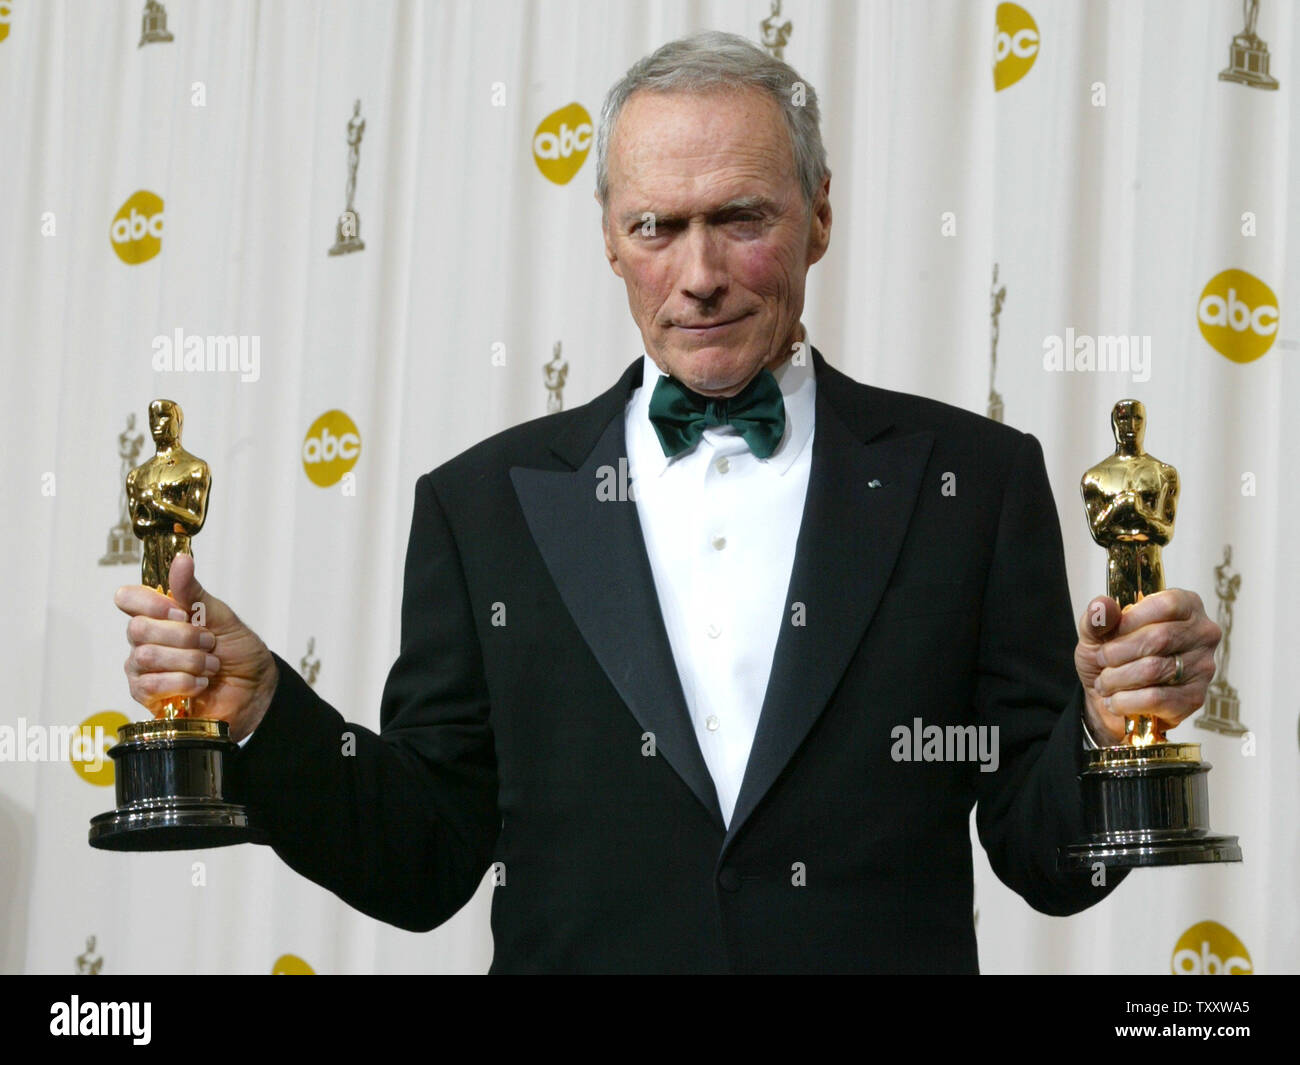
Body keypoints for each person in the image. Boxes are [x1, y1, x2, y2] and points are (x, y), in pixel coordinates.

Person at [114, 32, 1222, 973]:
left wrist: (1106, 729)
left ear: (818, 218)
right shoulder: (481, 506)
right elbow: (422, 861)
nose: (698, 273)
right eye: (656, 227)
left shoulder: (972, 484)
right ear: (608, 237)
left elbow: (1046, 863)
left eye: (739, 218)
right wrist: (264, 711)